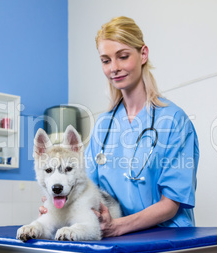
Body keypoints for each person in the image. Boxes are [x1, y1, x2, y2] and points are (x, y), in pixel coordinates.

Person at [40, 16, 199, 238]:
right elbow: (89, 191)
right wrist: (62, 205)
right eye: (106, 61)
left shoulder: (174, 121)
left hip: (167, 241)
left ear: (143, 54)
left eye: (123, 57)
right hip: (118, 242)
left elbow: (171, 203)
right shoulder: (104, 127)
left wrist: (118, 226)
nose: (114, 68)